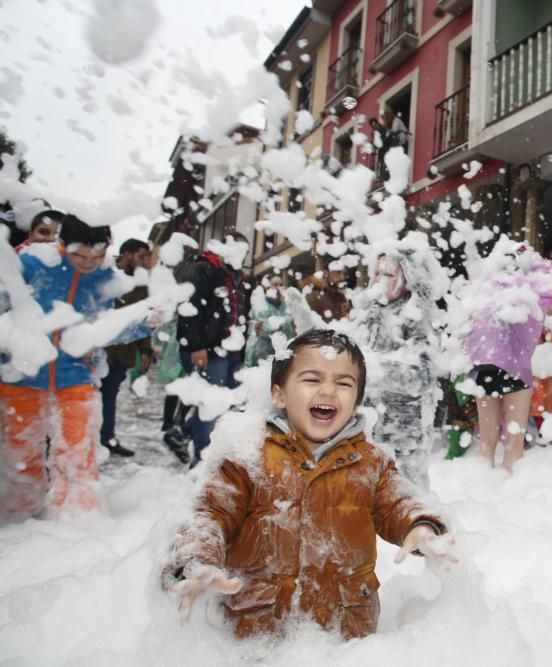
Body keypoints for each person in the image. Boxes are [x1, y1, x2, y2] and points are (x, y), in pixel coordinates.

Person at [161, 330, 453, 639]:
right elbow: (209, 514)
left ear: (356, 402)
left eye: (343, 383)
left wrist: (422, 526)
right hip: (258, 634)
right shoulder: (248, 455)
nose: (328, 390)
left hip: (345, 636)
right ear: (279, 394)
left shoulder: (371, 463)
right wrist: (194, 561)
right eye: (312, 379)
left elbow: (400, 502)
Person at [0, 215, 155, 521]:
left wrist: (143, 325)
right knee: (21, 456)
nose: (87, 263)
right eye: (79, 256)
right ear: (62, 244)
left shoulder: (105, 278)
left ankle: (76, 521)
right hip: (23, 375)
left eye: (96, 256)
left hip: (76, 376)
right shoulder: (31, 265)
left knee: (78, 451)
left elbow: (105, 329)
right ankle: (18, 519)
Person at [462, 240, 552, 471]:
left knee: (486, 444)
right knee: (515, 446)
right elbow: (550, 282)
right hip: (516, 368)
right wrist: (530, 255)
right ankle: (510, 498)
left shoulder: (483, 291)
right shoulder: (530, 289)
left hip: (482, 367)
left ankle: (481, 492)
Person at [359, 249, 440, 489]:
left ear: (408, 279)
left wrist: (371, 367)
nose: (378, 280)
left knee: (407, 500)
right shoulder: (371, 313)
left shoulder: (417, 317)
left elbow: (422, 376)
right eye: (376, 272)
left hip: (404, 433)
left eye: (388, 274)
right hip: (369, 428)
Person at [174, 233, 251, 466]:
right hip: (209, 350)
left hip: (232, 351)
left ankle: (181, 433)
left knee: (228, 402)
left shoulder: (237, 276)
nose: (241, 254)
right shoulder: (203, 269)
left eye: (244, 251)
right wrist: (197, 347)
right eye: (238, 249)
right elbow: (190, 308)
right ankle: (202, 459)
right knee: (210, 403)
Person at [99, 238, 154, 457]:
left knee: (110, 394)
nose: (146, 262)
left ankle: (106, 439)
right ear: (127, 254)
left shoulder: (142, 286)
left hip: (121, 352)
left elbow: (142, 320)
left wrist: (145, 350)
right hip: (96, 350)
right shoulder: (104, 274)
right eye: (142, 256)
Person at [244, 273, 294, 368]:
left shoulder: (285, 306)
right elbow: (263, 328)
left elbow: (288, 333)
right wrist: (286, 321)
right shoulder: (260, 304)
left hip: (279, 357)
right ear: (267, 288)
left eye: (281, 285)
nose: (279, 288)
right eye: (275, 285)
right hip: (258, 356)